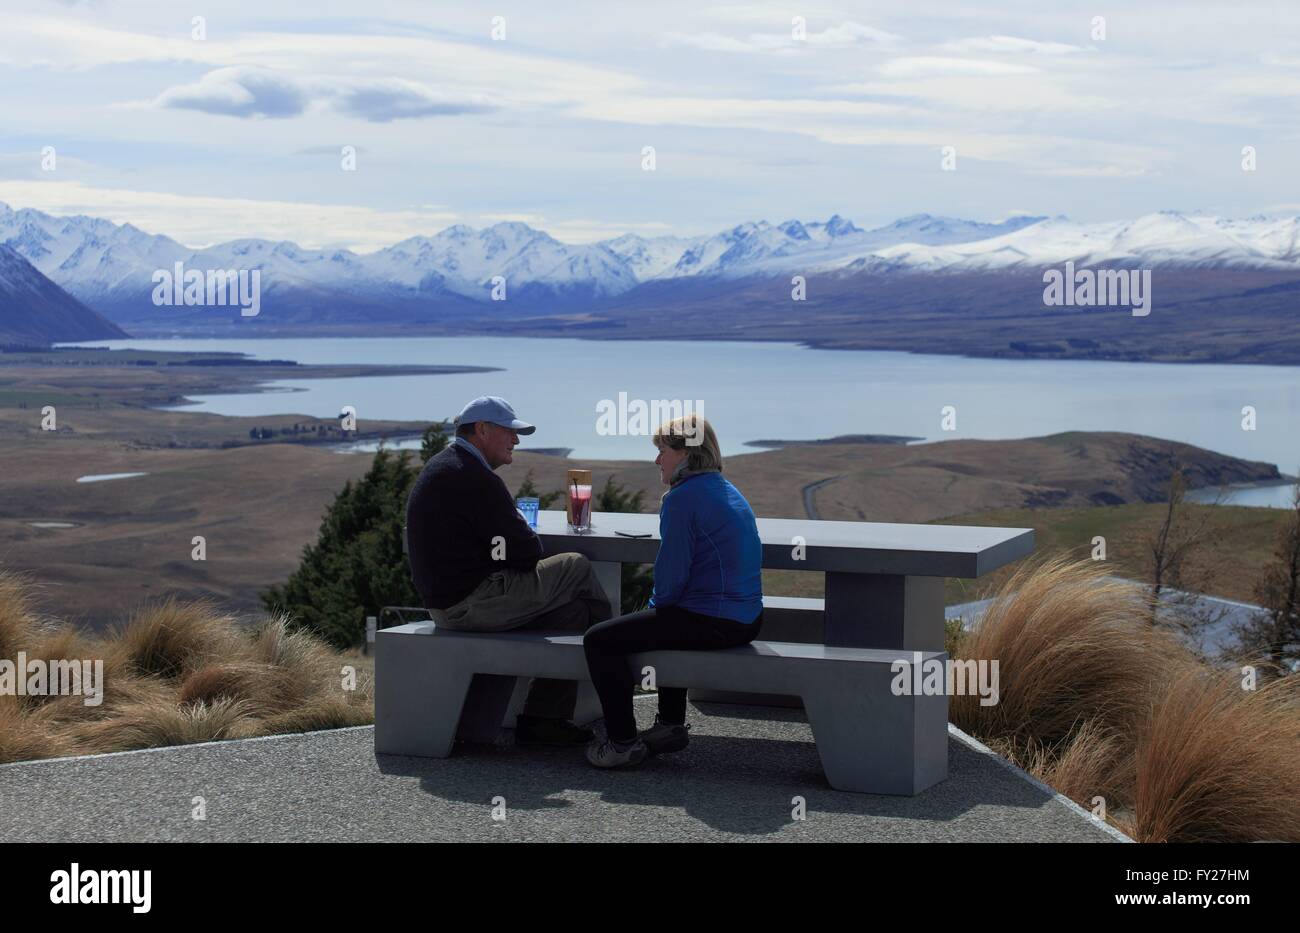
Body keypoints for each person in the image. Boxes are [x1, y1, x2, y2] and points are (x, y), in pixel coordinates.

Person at [405, 395, 612, 746]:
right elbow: (528, 552)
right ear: (482, 430)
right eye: (509, 432)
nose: (516, 440)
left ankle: (544, 720)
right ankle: (613, 682)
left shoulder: (446, 466)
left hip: (448, 605)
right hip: (473, 603)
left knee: (573, 613)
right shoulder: (474, 478)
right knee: (576, 567)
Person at [582, 414, 763, 768]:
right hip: (747, 618)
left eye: (662, 450)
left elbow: (670, 577)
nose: (656, 459)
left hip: (716, 621)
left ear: (685, 453)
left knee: (600, 640)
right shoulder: (725, 488)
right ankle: (669, 726)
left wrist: (651, 610)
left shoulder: (683, 498)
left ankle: (622, 744)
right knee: (666, 623)